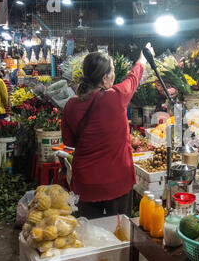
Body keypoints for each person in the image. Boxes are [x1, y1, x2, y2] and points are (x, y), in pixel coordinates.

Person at [62, 44, 154, 219]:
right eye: (111, 71)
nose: (114, 75)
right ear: (104, 78)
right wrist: (143, 57)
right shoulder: (116, 97)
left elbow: (69, 142)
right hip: (116, 181)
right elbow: (133, 78)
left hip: (86, 183)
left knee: (89, 235)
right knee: (120, 234)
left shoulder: (71, 105)